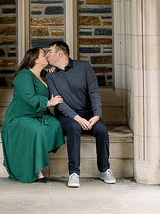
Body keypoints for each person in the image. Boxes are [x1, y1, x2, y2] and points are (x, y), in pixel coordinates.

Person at [45, 40, 116, 188]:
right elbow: (58, 101)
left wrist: (96, 115)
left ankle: (104, 169)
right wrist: (76, 118)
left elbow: (94, 92)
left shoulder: (84, 67)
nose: (46, 55)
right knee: (74, 127)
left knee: (102, 130)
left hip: (89, 113)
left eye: (49, 51)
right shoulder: (50, 75)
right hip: (66, 116)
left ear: (60, 53)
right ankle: (74, 173)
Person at [1, 47, 64, 183]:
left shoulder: (44, 75)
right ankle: (36, 171)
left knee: (56, 125)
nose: (47, 56)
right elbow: (29, 97)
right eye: (43, 54)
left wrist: (54, 69)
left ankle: (37, 154)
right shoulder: (24, 76)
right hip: (20, 116)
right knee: (38, 131)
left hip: (39, 114)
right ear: (35, 59)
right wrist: (49, 103)